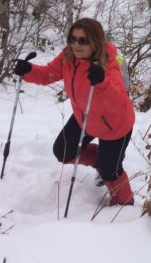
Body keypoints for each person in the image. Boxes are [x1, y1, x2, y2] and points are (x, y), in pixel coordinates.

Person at [14, 18, 136, 206]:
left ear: (95, 41)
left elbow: (120, 102)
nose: (76, 45)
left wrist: (102, 82)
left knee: (111, 171)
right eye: (73, 39)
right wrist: (29, 70)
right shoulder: (68, 58)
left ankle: (125, 208)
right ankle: (100, 162)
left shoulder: (107, 63)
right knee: (63, 151)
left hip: (114, 125)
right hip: (85, 117)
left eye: (83, 40)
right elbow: (49, 74)